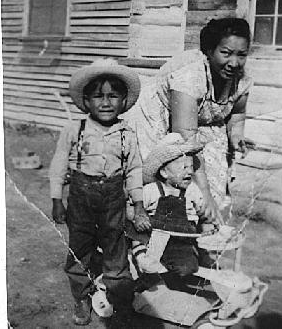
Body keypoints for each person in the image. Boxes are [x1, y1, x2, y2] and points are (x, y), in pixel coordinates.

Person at [49, 59, 150, 326]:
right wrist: (56, 199)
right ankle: (81, 297)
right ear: (86, 100)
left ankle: (120, 300)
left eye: (113, 96)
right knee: (79, 248)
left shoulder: (126, 133)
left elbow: (134, 170)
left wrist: (138, 205)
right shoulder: (75, 129)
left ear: (123, 100)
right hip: (81, 196)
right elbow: (59, 164)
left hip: (114, 198)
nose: (105, 102)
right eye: (98, 96)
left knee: (115, 249)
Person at [124, 18, 253, 221]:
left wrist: (236, 134)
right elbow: (186, 144)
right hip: (159, 118)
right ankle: (148, 243)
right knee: (162, 184)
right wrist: (205, 195)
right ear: (209, 51)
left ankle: (197, 235)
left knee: (214, 177)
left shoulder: (241, 79)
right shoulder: (190, 76)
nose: (234, 63)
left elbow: (237, 112)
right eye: (226, 53)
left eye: (242, 55)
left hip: (202, 124)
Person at [130, 133, 214, 284]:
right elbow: (133, 209)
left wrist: (208, 226)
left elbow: (203, 213)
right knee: (140, 243)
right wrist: (138, 218)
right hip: (154, 237)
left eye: (191, 167)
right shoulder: (151, 190)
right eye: (183, 167)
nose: (189, 172)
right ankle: (141, 258)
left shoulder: (192, 191)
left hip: (180, 240)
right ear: (164, 172)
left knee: (188, 268)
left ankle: (174, 273)